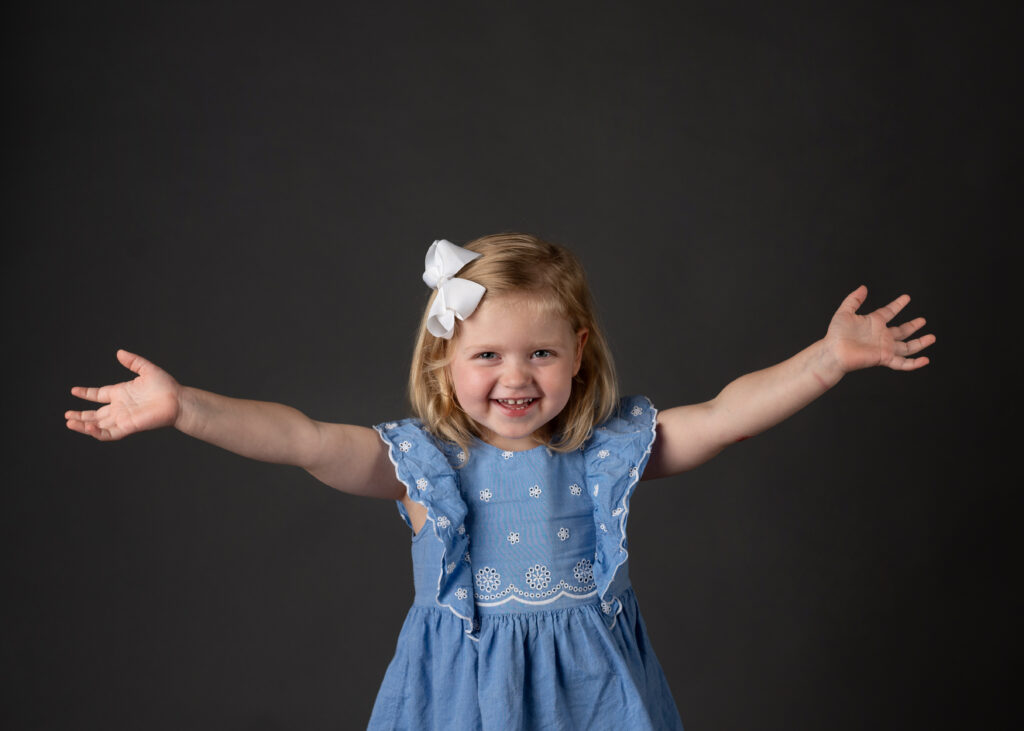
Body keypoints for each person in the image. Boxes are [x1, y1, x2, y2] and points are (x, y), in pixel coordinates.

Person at [65, 233, 934, 729]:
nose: (514, 378)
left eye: (541, 353)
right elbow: (300, 438)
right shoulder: (423, 464)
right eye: (487, 354)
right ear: (445, 360)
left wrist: (825, 361)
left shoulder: (606, 449)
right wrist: (186, 408)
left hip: (591, 696)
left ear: (578, 354)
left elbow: (727, 412)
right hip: (460, 699)